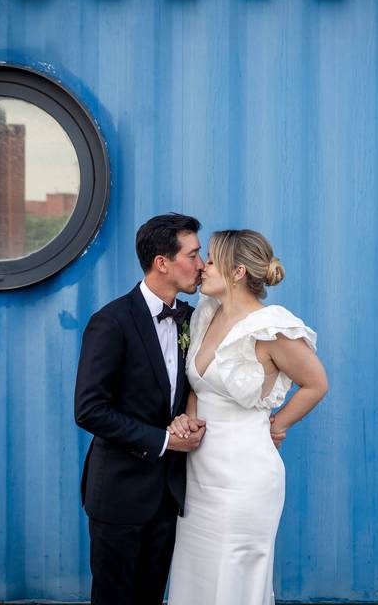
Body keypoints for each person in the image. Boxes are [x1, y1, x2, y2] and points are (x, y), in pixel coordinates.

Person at [166, 229, 329, 605]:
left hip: (245, 478)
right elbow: (197, 386)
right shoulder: (207, 315)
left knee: (235, 579)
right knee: (197, 577)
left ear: (237, 271)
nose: (201, 267)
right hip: (198, 474)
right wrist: (189, 419)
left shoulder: (270, 328)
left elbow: (316, 383)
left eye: (209, 259)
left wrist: (278, 424)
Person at [74, 213, 208, 605]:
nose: (201, 265)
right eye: (194, 254)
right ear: (162, 263)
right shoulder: (111, 322)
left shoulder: (190, 320)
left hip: (166, 496)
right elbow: (89, 409)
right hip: (119, 493)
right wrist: (164, 440)